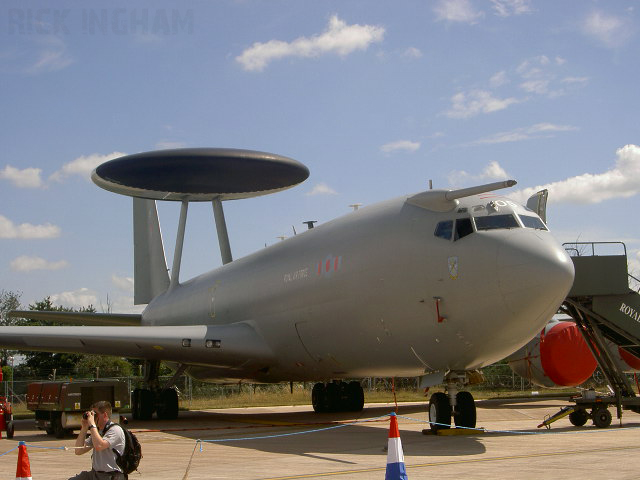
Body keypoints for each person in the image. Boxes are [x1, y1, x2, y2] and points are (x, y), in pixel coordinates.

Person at [69, 401, 126, 480]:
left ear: (105, 415)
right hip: (95, 474)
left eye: (95, 414)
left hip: (111, 476)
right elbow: (78, 450)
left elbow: (99, 446)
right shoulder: (98, 432)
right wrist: (84, 427)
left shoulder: (115, 430)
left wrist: (92, 425)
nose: (93, 417)